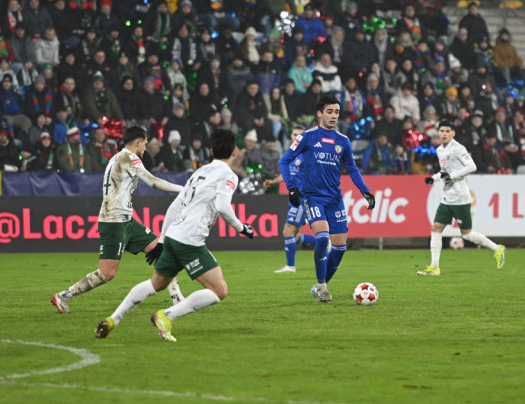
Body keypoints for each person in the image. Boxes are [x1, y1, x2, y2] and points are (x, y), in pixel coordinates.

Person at [95, 129, 256, 341]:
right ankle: (167, 315)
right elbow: (223, 206)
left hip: (172, 235)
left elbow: (174, 207)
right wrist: (242, 227)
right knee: (219, 290)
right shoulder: (228, 175)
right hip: (189, 240)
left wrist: (161, 241)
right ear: (234, 152)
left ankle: (113, 319)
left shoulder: (199, 173)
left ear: (211, 151)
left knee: (156, 284)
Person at [52, 126, 185, 314]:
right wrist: (183, 189)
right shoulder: (129, 157)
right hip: (113, 221)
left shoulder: (117, 158)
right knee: (107, 274)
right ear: (138, 143)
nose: (145, 149)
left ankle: (178, 299)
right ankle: (64, 295)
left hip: (126, 220)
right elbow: (154, 182)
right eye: (145, 144)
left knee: (162, 252)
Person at [278, 95, 375, 302]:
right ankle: (322, 287)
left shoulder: (343, 141)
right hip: (313, 198)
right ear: (319, 113)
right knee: (322, 238)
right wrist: (292, 188)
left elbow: (352, 169)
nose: (333, 116)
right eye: (329, 112)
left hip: (335, 199)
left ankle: (319, 285)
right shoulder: (307, 136)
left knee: (340, 247)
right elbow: (284, 161)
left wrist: (365, 191)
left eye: (337, 112)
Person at [416, 119, 506, 276]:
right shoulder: (439, 150)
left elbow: (472, 166)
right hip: (447, 198)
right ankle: (434, 267)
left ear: (453, 133)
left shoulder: (458, 148)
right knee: (436, 228)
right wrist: (434, 178)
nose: (444, 134)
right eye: (441, 131)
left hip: (460, 198)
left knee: (467, 234)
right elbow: (445, 170)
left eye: (447, 131)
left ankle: (497, 249)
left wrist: (452, 176)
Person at [263, 124, 317, 273]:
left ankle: (290, 266)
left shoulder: (307, 154)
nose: (296, 137)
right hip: (293, 197)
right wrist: (273, 181)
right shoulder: (291, 154)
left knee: (287, 231)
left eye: (299, 135)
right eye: (294, 135)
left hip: (301, 198)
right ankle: (324, 243)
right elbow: (288, 173)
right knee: (296, 235)